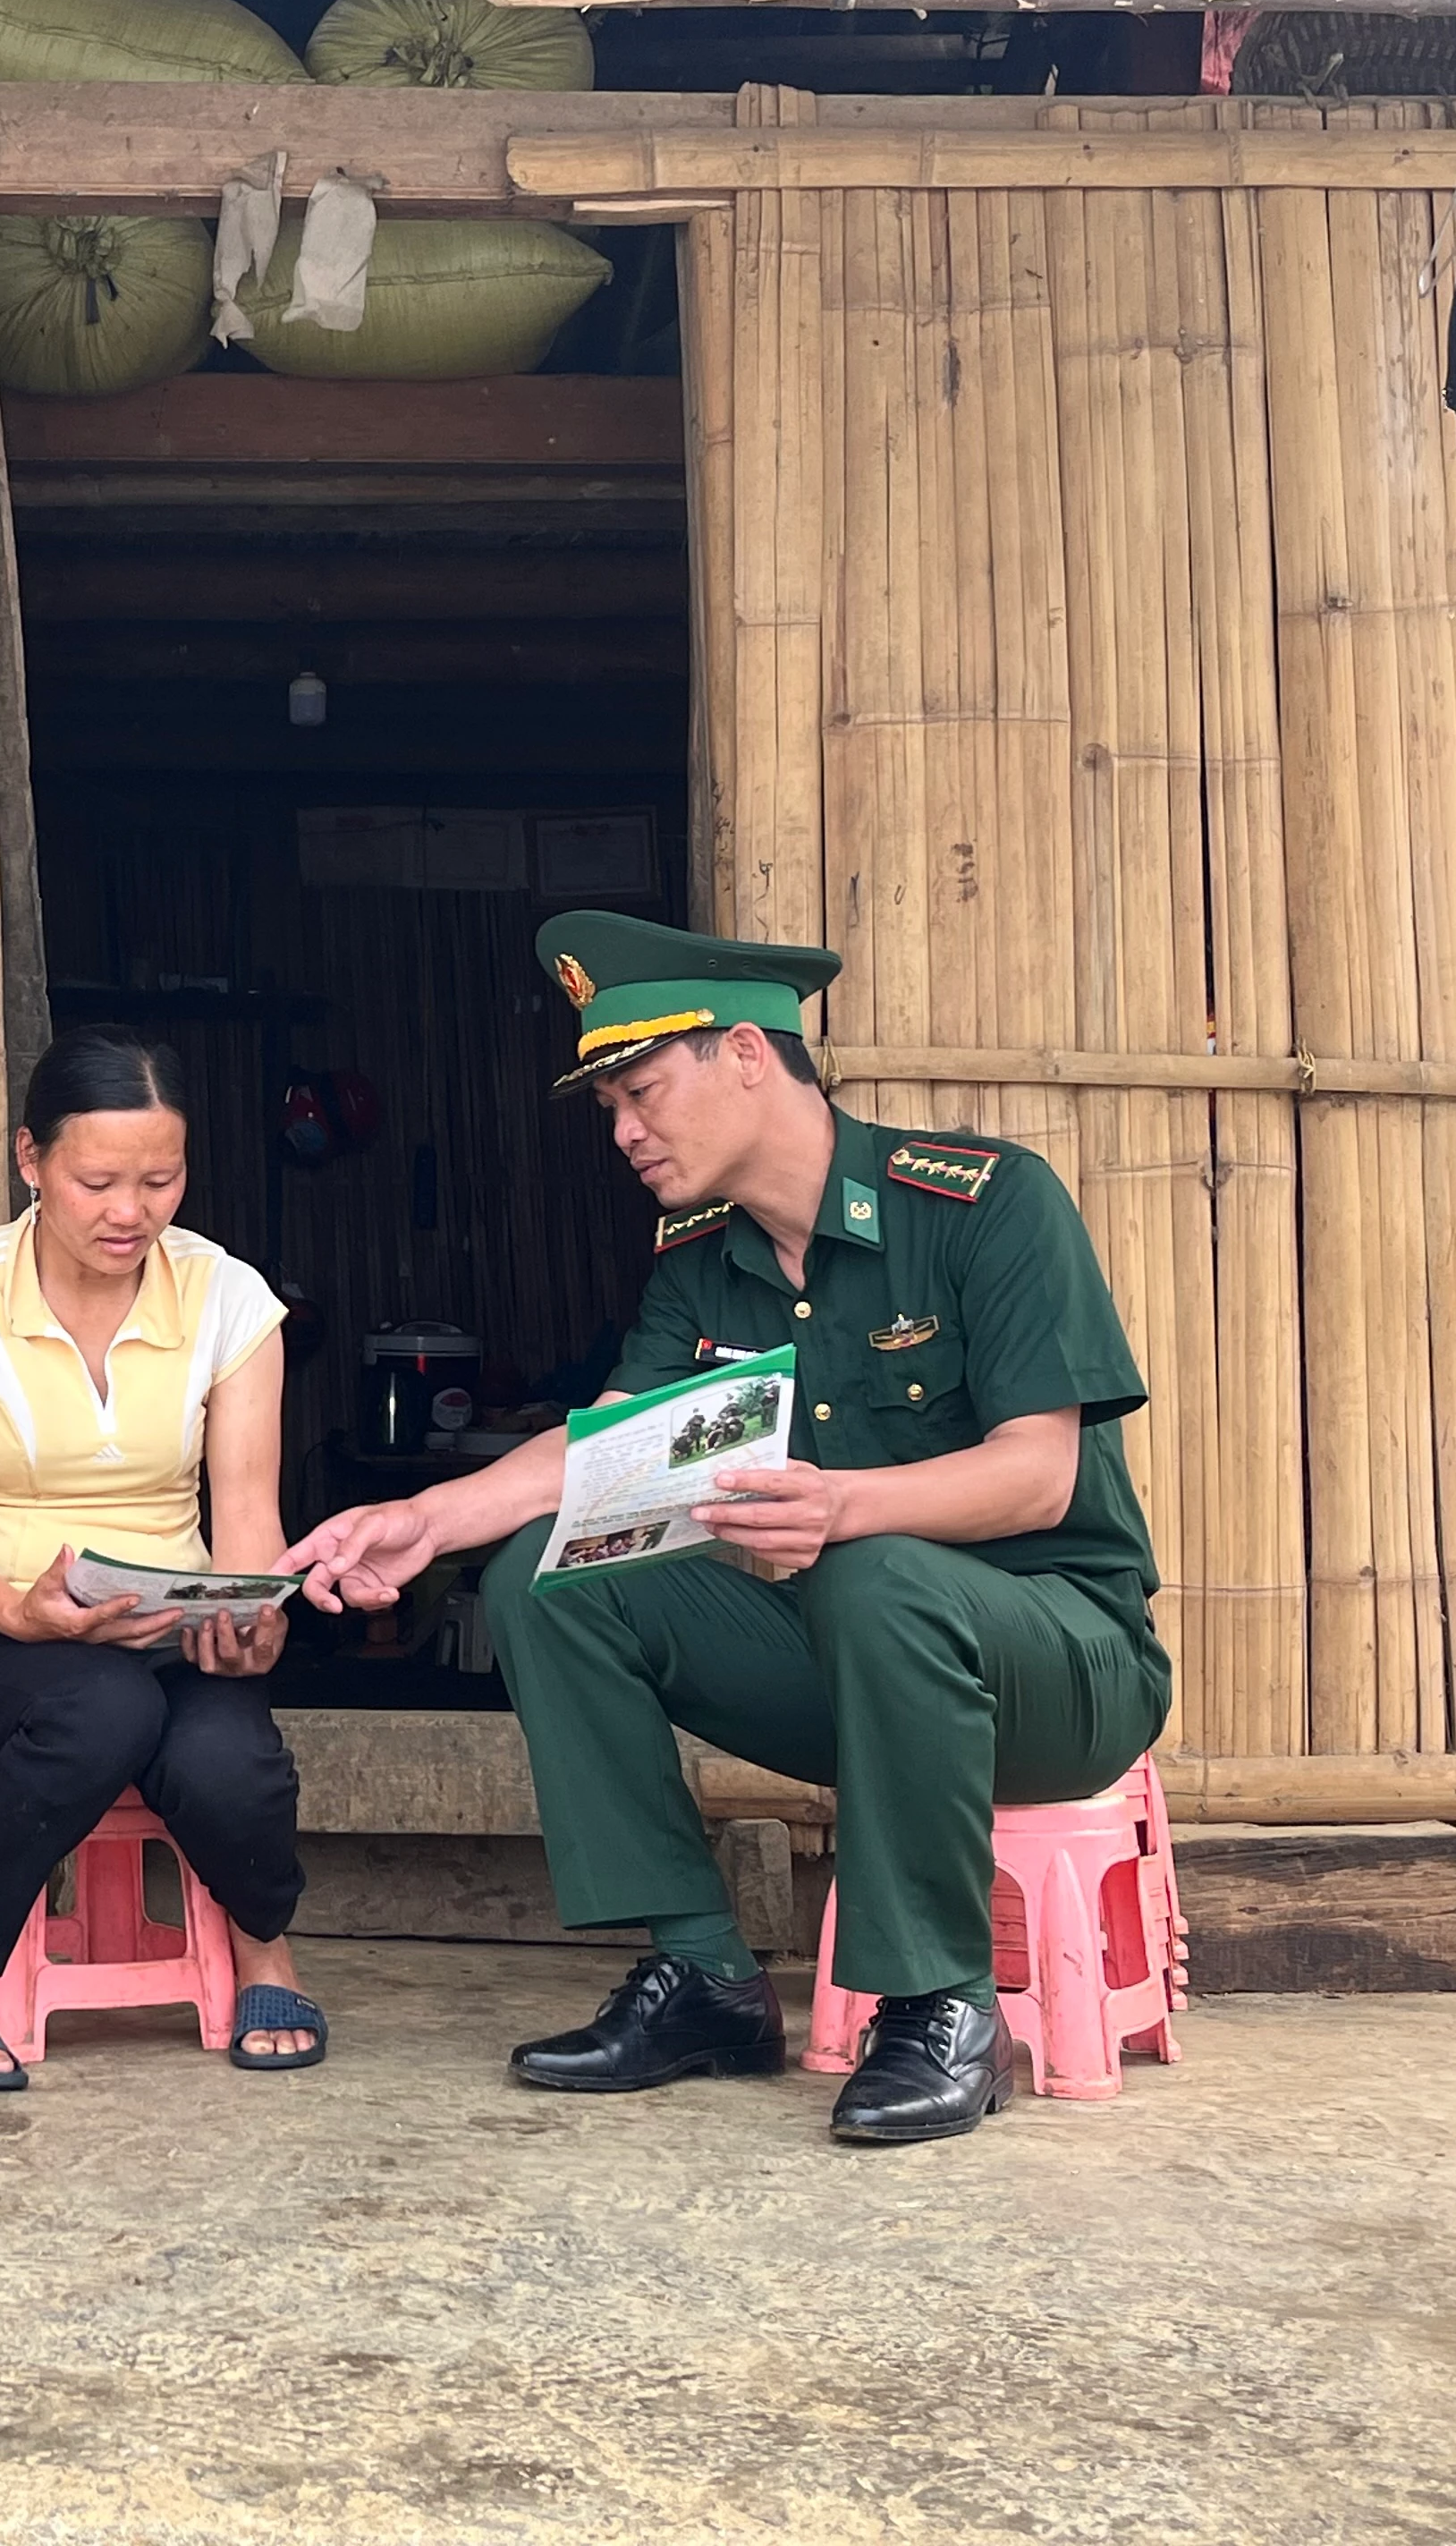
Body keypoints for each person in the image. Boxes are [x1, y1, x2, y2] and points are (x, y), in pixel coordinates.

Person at [286, 914, 1171, 2146]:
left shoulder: (984, 1206)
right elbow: (605, 1453)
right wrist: (421, 1523)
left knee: (873, 1576)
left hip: (1062, 1664)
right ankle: (705, 1975)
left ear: (748, 1054)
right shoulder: (703, 1262)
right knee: (547, 1575)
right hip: (850, 1669)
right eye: (607, 1110)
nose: (624, 1133)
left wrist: (846, 1505)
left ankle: (941, 2009)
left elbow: (1037, 1479)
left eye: (641, 1092)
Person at [0, 1026, 322, 2091]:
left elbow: (246, 1507)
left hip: (171, 1622)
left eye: (160, 1179)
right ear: (32, 1161)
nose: (131, 1212)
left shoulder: (228, 1299)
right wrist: (27, 1615)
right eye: (97, 1181)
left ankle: (264, 1945)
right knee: (100, 1713)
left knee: (228, 1759)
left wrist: (253, 1612)